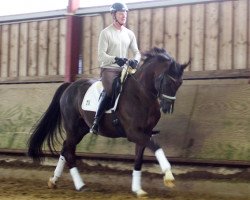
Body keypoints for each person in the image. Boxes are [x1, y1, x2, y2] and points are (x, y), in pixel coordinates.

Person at [90, 2, 141, 134]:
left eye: (125, 13)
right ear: (114, 15)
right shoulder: (105, 33)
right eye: (121, 13)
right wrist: (115, 59)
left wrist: (135, 60)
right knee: (116, 85)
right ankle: (97, 120)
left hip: (124, 69)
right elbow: (101, 56)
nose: (124, 15)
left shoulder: (129, 34)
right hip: (109, 70)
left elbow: (137, 52)